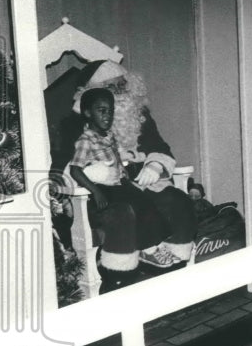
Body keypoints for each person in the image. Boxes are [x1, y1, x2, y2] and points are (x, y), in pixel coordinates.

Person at [68, 61, 197, 292]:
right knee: (125, 213)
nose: (121, 90)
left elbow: (159, 145)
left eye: (122, 83)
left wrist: (155, 166)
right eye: (112, 86)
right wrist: (93, 173)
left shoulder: (139, 114)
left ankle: (175, 270)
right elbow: (63, 165)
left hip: (143, 183)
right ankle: (119, 278)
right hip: (101, 192)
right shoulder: (77, 123)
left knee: (179, 201)